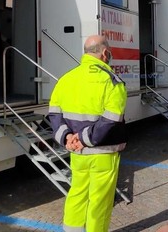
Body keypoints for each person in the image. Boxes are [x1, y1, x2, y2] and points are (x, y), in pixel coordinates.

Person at [48, 35, 127, 232]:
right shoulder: (112, 81)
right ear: (105, 53)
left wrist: (67, 137)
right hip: (103, 153)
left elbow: (54, 114)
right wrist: (85, 139)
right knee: (99, 202)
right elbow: (111, 119)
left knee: (77, 195)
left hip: (77, 154)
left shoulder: (66, 79)